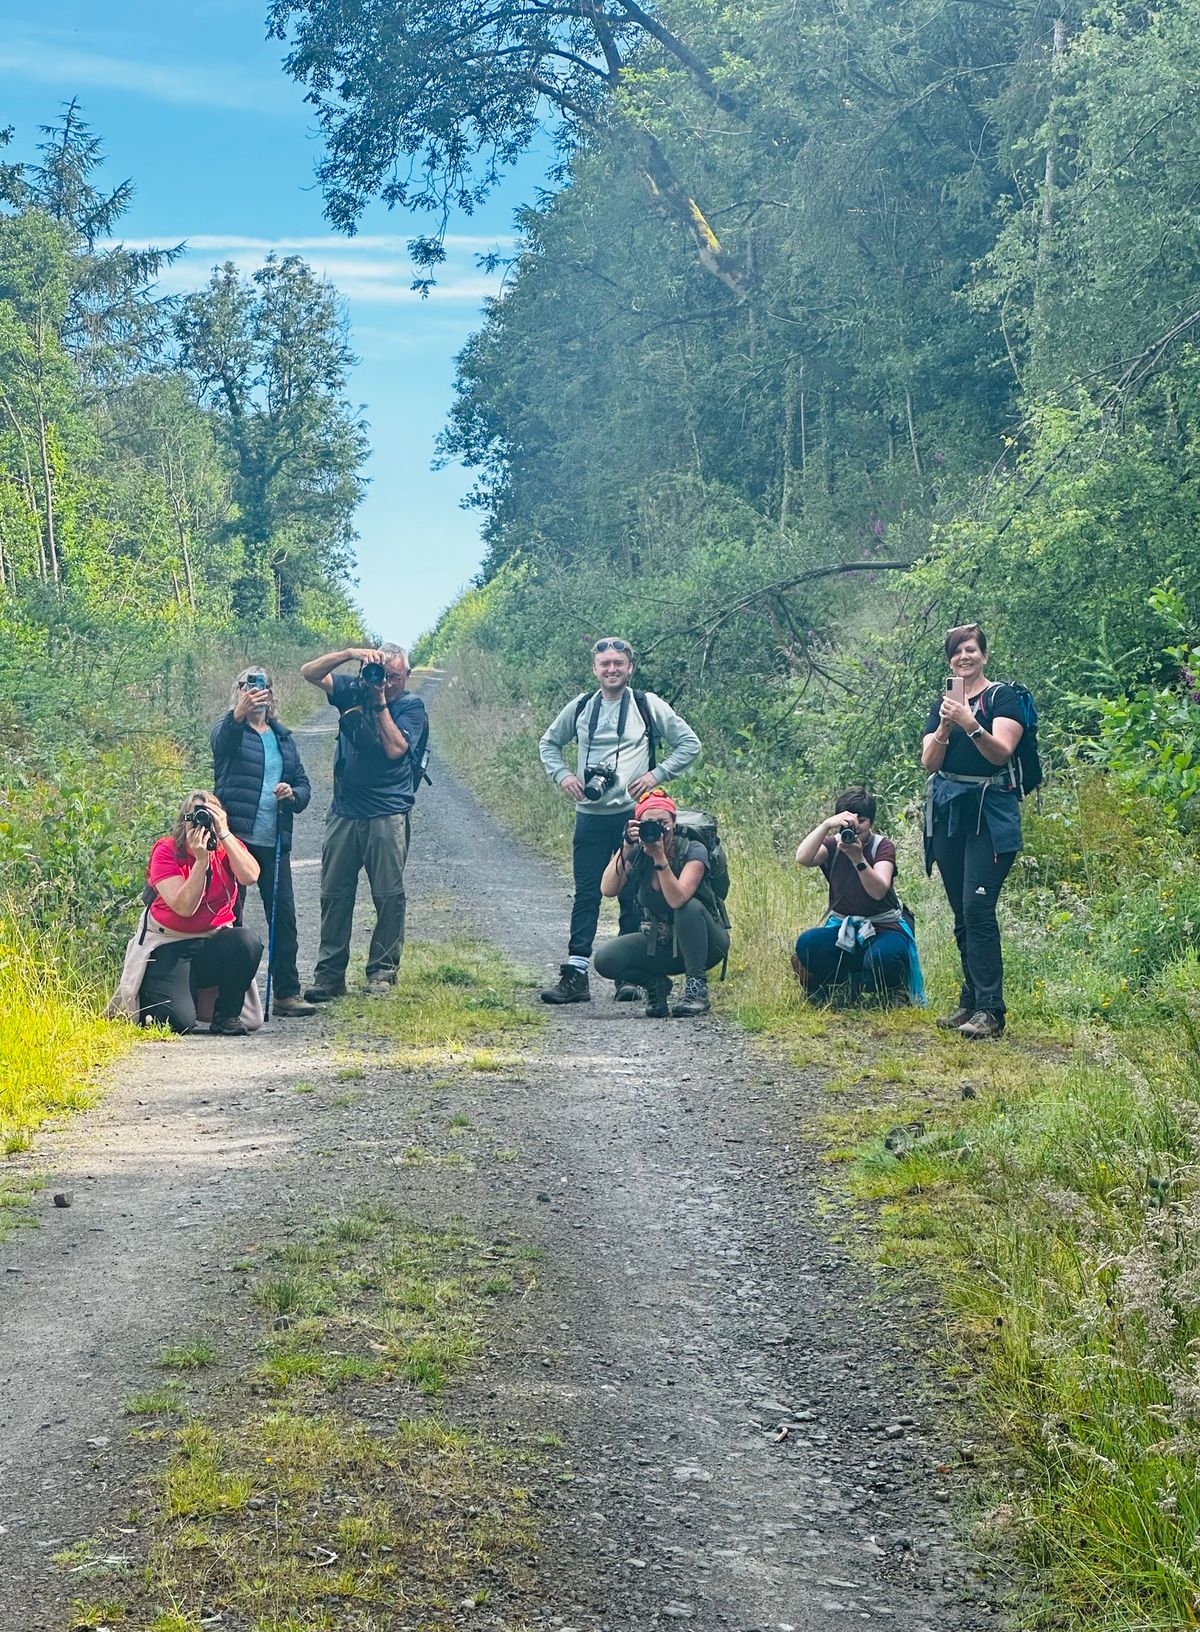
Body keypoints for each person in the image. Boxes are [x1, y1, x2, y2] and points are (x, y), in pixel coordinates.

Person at [538, 637, 701, 1004]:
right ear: (595, 669)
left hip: (632, 814)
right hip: (590, 816)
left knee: (632, 894)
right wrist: (564, 776)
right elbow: (548, 743)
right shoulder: (581, 707)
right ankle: (576, 973)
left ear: (630, 668)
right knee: (587, 894)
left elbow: (689, 743)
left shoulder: (646, 705)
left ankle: (628, 978)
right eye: (605, 664)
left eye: (619, 663)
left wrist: (656, 775)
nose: (612, 669)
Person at [300, 642, 427, 999]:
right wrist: (351, 654)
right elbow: (309, 672)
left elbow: (395, 749)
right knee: (334, 894)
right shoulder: (353, 687)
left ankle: (382, 973)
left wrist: (380, 701)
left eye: (395, 677)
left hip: (388, 812)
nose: (386, 682)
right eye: (382, 676)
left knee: (388, 896)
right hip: (345, 810)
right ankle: (329, 976)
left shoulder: (411, 705)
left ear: (407, 676)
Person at [921, 622, 1024, 1040]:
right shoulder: (943, 704)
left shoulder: (1003, 697)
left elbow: (1001, 753)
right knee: (962, 911)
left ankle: (991, 1011)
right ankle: (970, 1000)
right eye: (956, 652)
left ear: (983, 654)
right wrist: (947, 724)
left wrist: (970, 722)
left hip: (991, 812)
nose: (964, 657)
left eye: (970, 650)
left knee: (979, 909)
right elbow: (929, 761)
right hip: (950, 811)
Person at [108, 791, 264, 1036]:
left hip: (213, 940)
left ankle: (227, 1015)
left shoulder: (227, 845)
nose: (205, 823)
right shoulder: (167, 850)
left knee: (247, 941)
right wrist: (201, 862)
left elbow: (250, 876)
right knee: (178, 1023)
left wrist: (223, 833)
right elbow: (184, 908)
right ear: (185, 820)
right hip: (169, 943)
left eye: (211, 816)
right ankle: (155, 992)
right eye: (199, 817)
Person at [211, 666, 314, 1017]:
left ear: (271, 694)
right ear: (237, 691)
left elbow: (303, 786)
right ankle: (229, 1001)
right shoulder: (230, 730)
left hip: (274, 841)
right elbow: (219, 744)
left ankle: (287, 992)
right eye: (247, 685)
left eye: (262, 686)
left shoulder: (283, 737)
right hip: (234, 841)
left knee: (283, 917)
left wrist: (292, 794)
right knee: (231, 918)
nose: (256, 691)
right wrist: (238, 713)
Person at [592, 792, 729, 1018]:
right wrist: (625, 847)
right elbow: (607, 889)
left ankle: (697, 990)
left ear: (674, 823)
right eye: (649, 824)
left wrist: (660, 858)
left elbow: (677, 899)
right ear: (638, 825)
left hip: (707, 944)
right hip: (663, 941)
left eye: (663, 823)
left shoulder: (694, 849)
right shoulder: (638, 852)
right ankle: (655, 985)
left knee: (688, 907)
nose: (657, 830)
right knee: (606, 959)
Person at [792, 787, 924, 1006]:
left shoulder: (882, 846)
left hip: (884, 926)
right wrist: (826, 825)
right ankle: (841, 985)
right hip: (844, 925)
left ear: (871, 822)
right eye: (849, 822)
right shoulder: (833, 845)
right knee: (808, 944)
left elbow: (878, 891)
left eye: (861, 821)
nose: (855, 828)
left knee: (883, 957)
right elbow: (803, 858)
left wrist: (858, 858)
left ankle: (892, 989)